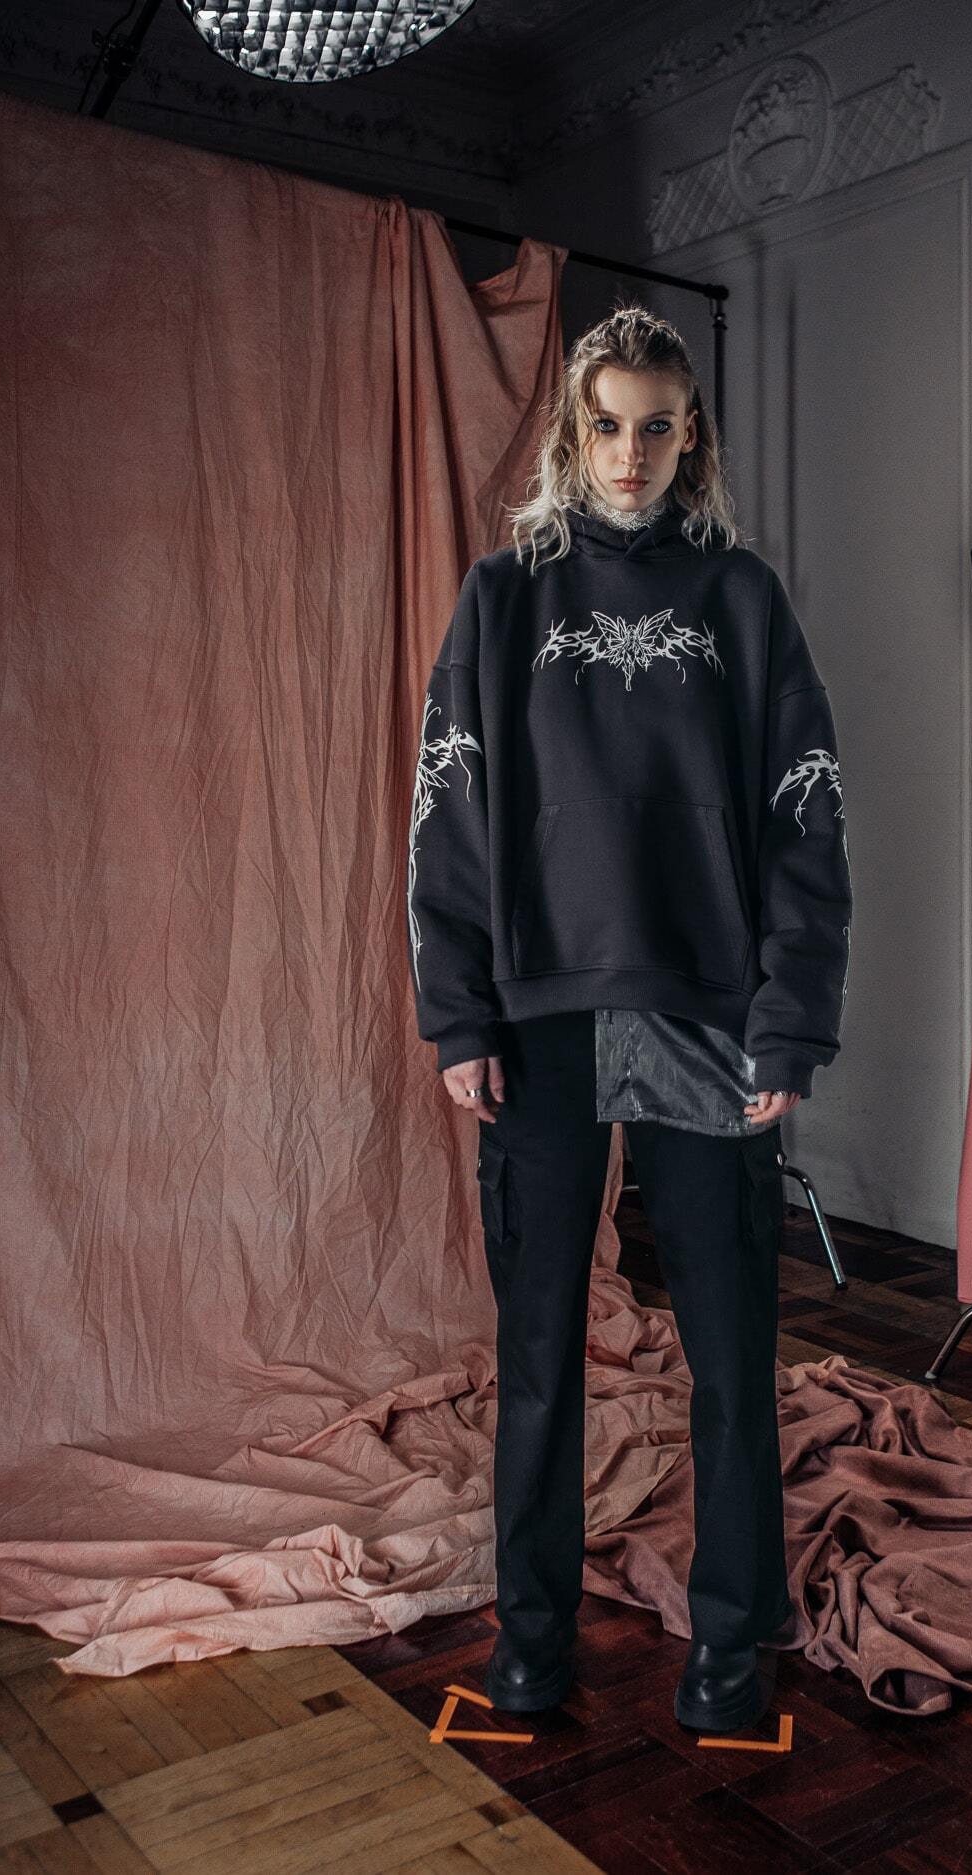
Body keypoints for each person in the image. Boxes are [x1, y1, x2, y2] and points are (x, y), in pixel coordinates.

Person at [405, 304, 852, 1734]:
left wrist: (790, 1020)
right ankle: (530, 1643)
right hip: (536, 1019)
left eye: (658, 426)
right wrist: (458, 1013)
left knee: (730, 1358)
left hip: (706, 1016)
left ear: (689, 435)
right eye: (607, 424)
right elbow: (449, 814)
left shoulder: (742, 600)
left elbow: (805, 819)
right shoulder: (502, 599)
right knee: (539, 1356)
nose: (631, 453)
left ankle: (730, 1646)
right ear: (571, 431)